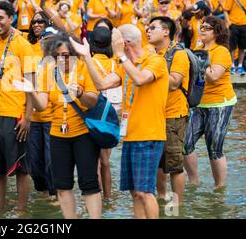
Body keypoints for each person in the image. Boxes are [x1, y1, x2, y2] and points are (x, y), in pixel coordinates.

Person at [70, 24, 169, 219]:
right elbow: (101, 84)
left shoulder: (155, 61)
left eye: (114, 39)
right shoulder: (126, 67)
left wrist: (121, 55)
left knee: (145, 192)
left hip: (149, 134)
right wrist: (87, 56)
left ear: (124, 43)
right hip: (130, 135)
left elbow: (140, 79)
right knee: (134, 191)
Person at [14, 32, 102, 219]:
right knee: (62, 185)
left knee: (89, 183)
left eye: (65, 56)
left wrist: (79, 93)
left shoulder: (85, 68)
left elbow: (92, 101)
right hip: (58, 134)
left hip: (83, 134)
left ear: (74, 54)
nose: (61, 60)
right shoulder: (49, 71)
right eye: (57, 56)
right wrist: (30, 91)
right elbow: (42, 105)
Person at [0, 1, 35, 211]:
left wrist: (28, 118)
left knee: (21, 168)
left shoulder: (24, 45)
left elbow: (33, 83)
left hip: (16, 114)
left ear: (11, 18)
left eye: (0, 18)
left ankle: (22, 212)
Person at [183, 16, 237, 188]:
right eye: (202, 26)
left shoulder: (221, 51)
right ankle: (194, 182)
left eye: (207, 27)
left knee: (214, 149)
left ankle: (219, 187)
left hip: (220, 104)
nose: (203, 29)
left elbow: (213, 76)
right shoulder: (197, 48)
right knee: (185, 144)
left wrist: (199, 62)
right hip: (198, 104)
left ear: (217, 32)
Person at [147, 16, 188, 205]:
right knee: (156, 161)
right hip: (154, 114)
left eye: (153, 27)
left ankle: (177, 204)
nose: (148, 30)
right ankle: (162, 198)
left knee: (174, 164)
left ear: (166, 32)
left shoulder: (178, 54)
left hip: (173, 115)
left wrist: (154, 64)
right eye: (147, 27)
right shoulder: (151, 53)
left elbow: (173, 83)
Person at [87, 23, 121, 199]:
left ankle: (96, 196)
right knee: (106, 160)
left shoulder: (87, 63)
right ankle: (109, 197)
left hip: (95, 110)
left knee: (94, 160)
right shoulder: (117, 63)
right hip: (114, 111)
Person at [24, 12, 56, 197]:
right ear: (41, 42)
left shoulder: (64, 63)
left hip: (54, 119)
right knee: (35, 165)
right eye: (46, 39)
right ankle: (45, 195)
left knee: (52, 161)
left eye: (53, 39)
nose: (48, 43)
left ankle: (55, 196)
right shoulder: (33, 61)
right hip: (34, 119)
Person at [224, 0, 246, 75]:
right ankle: (232, 66)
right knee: (232, 47)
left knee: (243, 47)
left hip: (245, 24)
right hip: (233, 24)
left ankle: (241, 66)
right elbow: (225, 11)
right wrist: (229, 23)